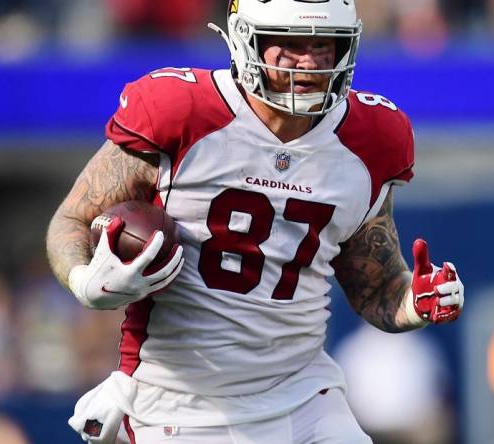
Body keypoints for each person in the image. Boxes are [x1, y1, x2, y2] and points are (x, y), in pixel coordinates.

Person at [46, 0, 465, 443]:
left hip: (302, 396)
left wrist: (415, 302)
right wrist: (83, 281)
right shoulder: (180, 111)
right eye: (289, 44)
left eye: (324, 46)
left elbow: (377, 286)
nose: (308, 62)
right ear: (247, 39)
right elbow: (73, 219)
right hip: (179, 400)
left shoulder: (373, 138)